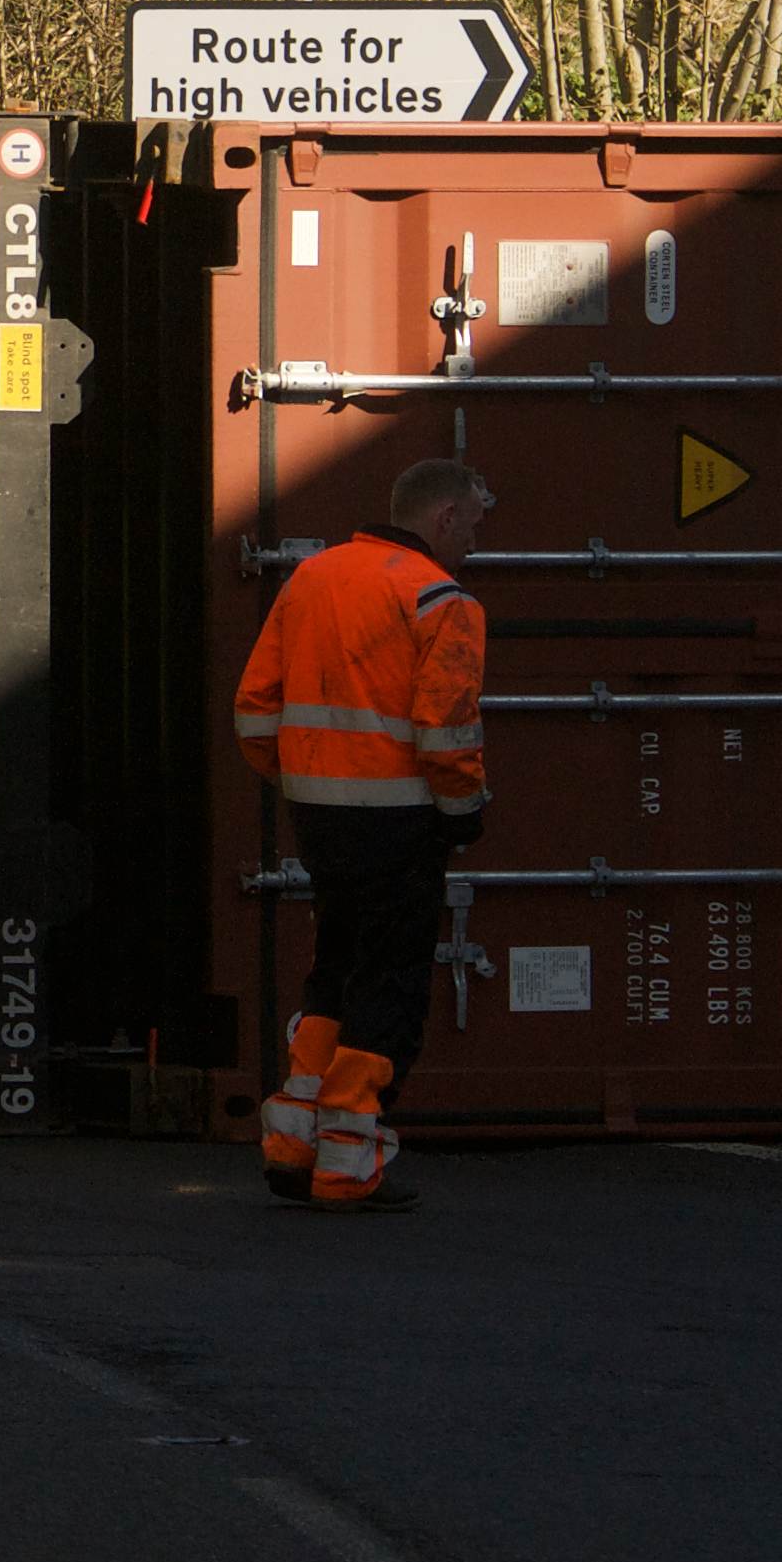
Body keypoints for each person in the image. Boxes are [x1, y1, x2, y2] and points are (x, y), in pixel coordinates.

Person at [236, 456, 493, 1211]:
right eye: (473, 524)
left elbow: (254, 708)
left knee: (333, 972)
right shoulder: (440, 600)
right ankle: (347, 1164)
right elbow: (447, 735)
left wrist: (301, 781)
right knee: (388, 987)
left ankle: (290, 1144)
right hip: (401, 824)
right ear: (442, 518)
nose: (474, 542)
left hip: (319, 818)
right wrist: (463, 814)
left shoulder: (310, 578)